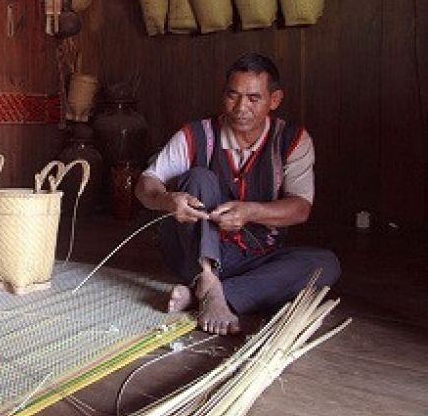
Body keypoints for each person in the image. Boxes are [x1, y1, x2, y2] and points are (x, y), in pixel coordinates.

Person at [134, 52, 340, 336]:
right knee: (198, 177)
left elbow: (300, 208)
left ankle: (211, 295)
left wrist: (251, 212)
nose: (241, 107)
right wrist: (166, 200)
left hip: (254, 255)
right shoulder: (195, 135)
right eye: (233, 96)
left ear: (274, 100)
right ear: (224, 95)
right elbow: (146, 183)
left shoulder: (292, 140)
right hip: (191, 255)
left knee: (325, 265)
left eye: (254, 98)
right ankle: (207, 280)